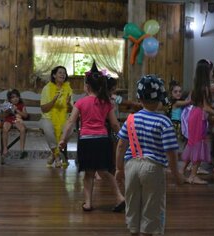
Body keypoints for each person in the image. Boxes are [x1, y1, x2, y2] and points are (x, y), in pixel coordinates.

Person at [115, 74, 184, 236]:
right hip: (153, 168)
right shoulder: (164, 122)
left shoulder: (130, 120)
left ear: (139, 98)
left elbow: (120, 145)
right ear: (161, 100)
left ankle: (133, 230)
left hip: (131, 165)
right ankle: (148, 231)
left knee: (132, 201)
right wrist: (176, 174)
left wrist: (119, 168)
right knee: (152, 204)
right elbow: (171, 153)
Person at [58, 63, 125, 212]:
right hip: (102, 140)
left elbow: (70, 122)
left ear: (87, 87)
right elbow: (114, 124)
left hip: (86, 141)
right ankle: (119, 197)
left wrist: (63, 139)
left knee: (88, 174)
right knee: (105, 172)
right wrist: (122, 136)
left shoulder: (80, 103)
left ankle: (88, 203)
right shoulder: (106, 102)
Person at [181, 59, 214, 184]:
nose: (213, 73)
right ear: (207, 72)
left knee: (192, 144)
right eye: (211, 70)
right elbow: (205, 107)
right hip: (198, 116)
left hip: (193, 115)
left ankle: (182, 172)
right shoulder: (205, 88)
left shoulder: (197, 85)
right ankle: (193, 176)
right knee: (198, 145)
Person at [40, 66, 73, 168]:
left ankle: (53, 154)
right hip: (47, 117)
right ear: (54, 75)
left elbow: (71, 110)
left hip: (64, 118)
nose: (63, 74)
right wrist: (53, 101)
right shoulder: (47, 88)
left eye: (64, 73)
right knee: (48, 129)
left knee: (69, 130)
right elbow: (44, 109)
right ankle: (58, 156)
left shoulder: (68, 89)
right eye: (60, 73)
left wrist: (68, 104)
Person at [1, 89, 28, 163]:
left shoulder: (21, 105)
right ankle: (5, 148)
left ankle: (22, 150)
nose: (15, 99)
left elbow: (25, 115)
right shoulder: (7, 104)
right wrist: (8, 110)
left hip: (17, 120)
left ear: (19, 97)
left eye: (16, 97)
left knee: (22, 129)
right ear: (9, 99)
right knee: (5, 129)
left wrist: (17, 110)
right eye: (12, 97)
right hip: (8, 119)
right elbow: (4, 115)